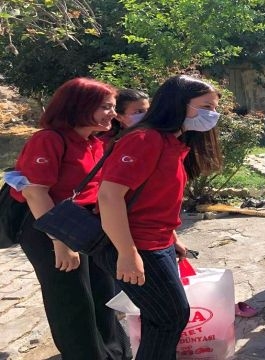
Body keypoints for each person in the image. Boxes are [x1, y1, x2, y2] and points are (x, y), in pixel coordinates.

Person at [93, 75, 223, 359]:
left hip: (157, 241)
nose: (212, 114)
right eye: (205, 106)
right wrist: (127, 254)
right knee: (170, 317)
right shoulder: (145, 139)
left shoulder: (172, 142)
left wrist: (172, 236)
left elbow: (154, 196)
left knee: (162, 318)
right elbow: (109, 196)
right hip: (136, 244)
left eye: (215, 107)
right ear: (178, 104)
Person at [10, 78, 131, 359]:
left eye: (113, 107)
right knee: (71, 299)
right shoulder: (48, 140)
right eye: (105, 107)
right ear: (78, 106)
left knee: (103, 293)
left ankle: (112, 352)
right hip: (50, 229)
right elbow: (36, 194)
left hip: (86, 225)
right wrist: (60, 243)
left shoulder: (93, 141)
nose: (112, 114)